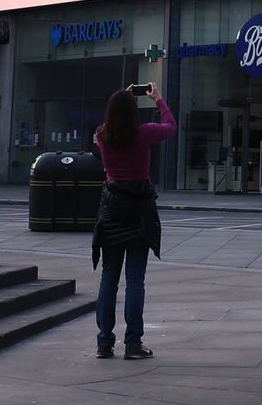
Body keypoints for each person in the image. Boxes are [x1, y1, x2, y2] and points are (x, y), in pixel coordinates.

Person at [91, 83, 174, 360]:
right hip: (139, 212)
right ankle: (133, 344)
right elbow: (171, 126)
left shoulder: (102, 136)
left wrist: (123, 97)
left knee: (108, 279)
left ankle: (104, 343)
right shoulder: (144, 134)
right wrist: (158, 99)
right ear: (134, 111)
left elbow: (105, 131)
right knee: (135, 280)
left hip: (112, 211)